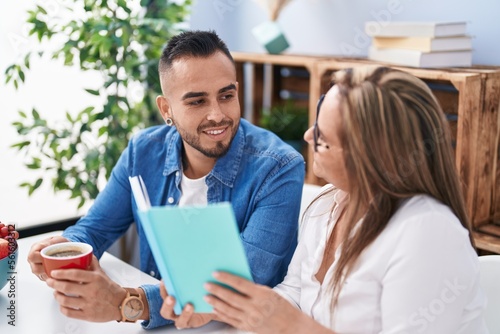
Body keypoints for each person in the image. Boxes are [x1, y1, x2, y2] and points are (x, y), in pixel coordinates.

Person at [160, 66, 488, 333]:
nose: (307, 136)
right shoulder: (327, 204)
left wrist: (293, 327)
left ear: (371, 159)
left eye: (323, 139)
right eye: (316, 122)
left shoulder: (426, 235)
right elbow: (296, 293)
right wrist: (225, 310)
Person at [27, 30, 305, 329]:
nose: (217, 115)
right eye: (197, 102)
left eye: (226, 96)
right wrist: (62, 249)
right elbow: (94, 230)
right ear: (166, 109)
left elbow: (239, 287)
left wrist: (127, 303)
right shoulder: (142, 152)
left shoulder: (280, 168)